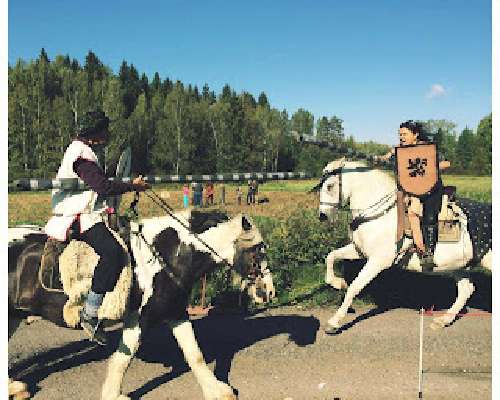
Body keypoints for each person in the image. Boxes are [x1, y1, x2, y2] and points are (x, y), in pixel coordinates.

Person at [44, 110, 149, 345]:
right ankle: (90, 313)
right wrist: (133, 186)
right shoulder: (81, 154)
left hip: (85, 211)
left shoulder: (84, 150)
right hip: (78, 214)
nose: (107, 134)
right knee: (112, 253)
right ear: (96, 132)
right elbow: (102, 186)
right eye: (104, 130)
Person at [379, 120, 450, 262]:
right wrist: (382, 158)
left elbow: (446, 163)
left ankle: (428, 252)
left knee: (429, 217)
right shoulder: (399, 150)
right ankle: (411, 245)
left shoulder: (427, 148)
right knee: (410, 212)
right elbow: (383, 160)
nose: (401, 137)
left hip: (431, 189)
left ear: (415, 134)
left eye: (405, 134)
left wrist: (431, 168)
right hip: (411, 190)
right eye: (400, 135)